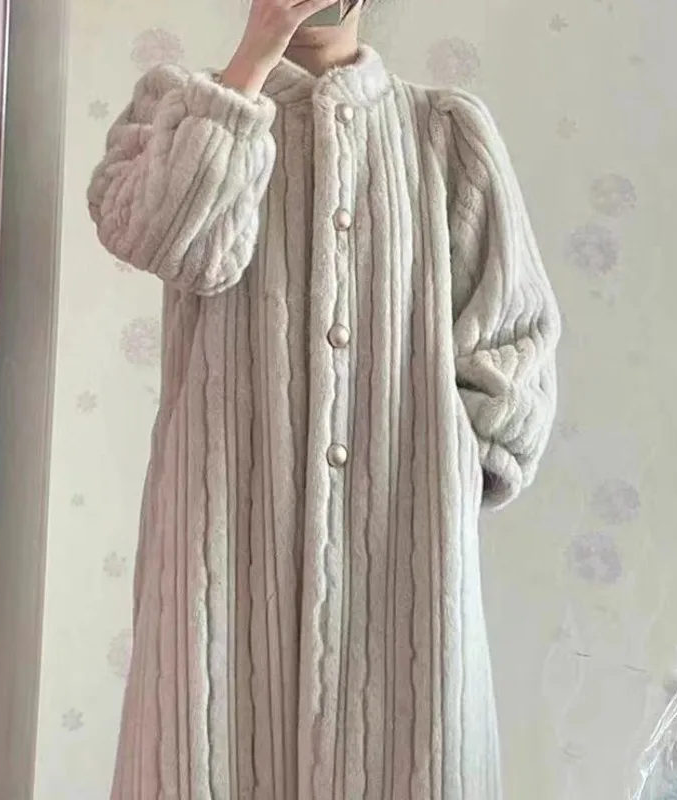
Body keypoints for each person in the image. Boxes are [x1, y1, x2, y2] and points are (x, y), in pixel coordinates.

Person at [87, 0, 561, 797]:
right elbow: (173, 244)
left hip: (404, 553)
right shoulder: (182, 106)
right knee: (215, 743)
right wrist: (254, 56)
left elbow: (514, 336)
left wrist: (447, 474)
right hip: (225, 538)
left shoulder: (444, 132)